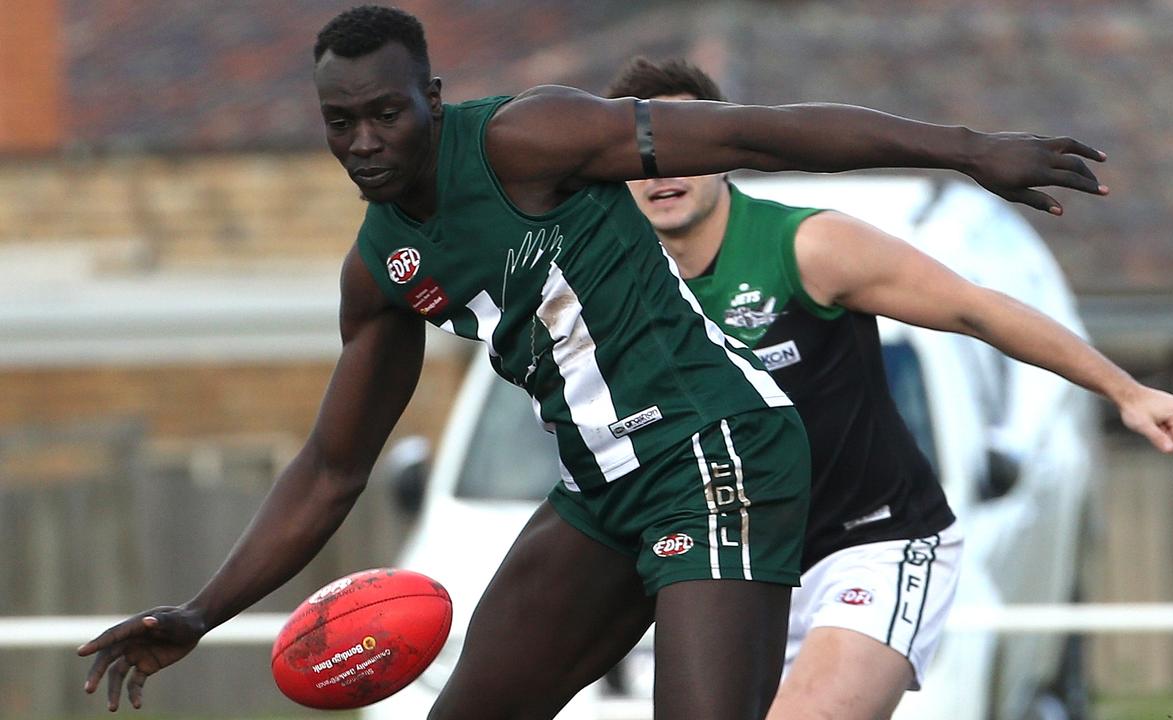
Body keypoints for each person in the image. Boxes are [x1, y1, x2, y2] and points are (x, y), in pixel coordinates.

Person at [78, 6, 1118, 718]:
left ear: (431, 98)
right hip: (601, 494)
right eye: (338, 124)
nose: (362, 140)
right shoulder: (381, 268)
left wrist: (964, 148)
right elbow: (331, 468)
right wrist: (202, 610)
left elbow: (754, 129)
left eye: (384, 112)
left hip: (722, 454)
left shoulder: (526, 142)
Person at [605, 57, 1173, 720]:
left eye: (685, 145)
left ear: (724, 154)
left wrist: (1126, 391)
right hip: (738, 572)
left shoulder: (805, 246)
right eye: (639, 155)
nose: (663, 169)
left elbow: (976, 308)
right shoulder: (615, 291)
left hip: (871, 549)